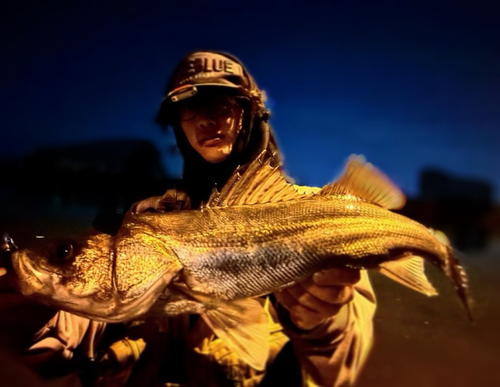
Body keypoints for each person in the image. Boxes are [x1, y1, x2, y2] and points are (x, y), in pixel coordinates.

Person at [96, 51, 376, 387]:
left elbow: (343, 367)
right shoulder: (151, 218)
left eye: (221, 104)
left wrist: (322, 321)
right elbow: (77, 329)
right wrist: (34, 303)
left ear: (249, 113)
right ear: (177, 123)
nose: (204, 119)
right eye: (188, 106)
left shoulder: (315, 212)